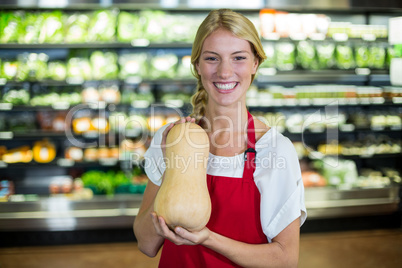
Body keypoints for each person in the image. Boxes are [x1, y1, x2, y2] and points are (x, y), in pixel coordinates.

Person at [134, 8, 307, 267]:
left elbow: (285, 259)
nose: (225, 72)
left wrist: (208, 239)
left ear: (255, 63)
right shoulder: (171, 138)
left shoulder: (274, 150)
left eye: (238, 58)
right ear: (197, 65)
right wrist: (172, 165)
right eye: (212, 58)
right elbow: (146, 244)